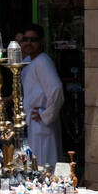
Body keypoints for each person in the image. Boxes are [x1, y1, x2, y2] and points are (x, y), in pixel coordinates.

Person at [20, 23, 64, 169]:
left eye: (33, 40)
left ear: (41, 42)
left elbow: (56, 89)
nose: (28, 43)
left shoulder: (43, 61)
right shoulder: (29, 61)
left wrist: (46, 114)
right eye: (25, 39)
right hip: (32, 122)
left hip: (41, 122)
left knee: (44, 164)